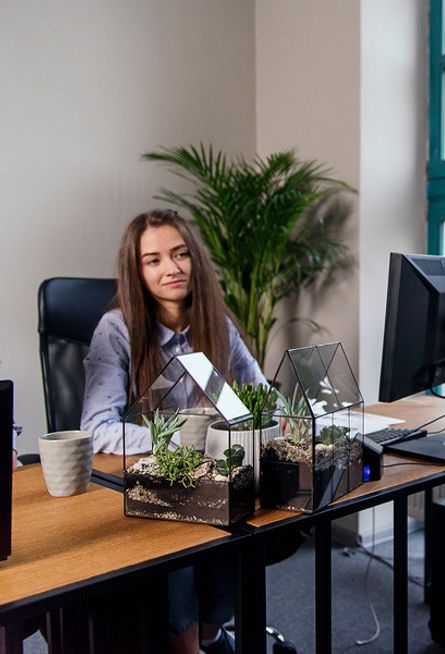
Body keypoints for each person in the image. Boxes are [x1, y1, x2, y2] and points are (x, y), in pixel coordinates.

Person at [81, 209, 265, 654]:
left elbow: (257, 398)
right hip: (147, 485)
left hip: (211, 481)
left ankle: (210, 633)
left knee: (245, 514)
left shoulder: (216, 324)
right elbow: (97, 429)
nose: (172, 268)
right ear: (136, 270)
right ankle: (186, 642)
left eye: (180, 254)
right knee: (178, 536)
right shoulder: (118, 329)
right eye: (154, 260)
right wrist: (184, 436)